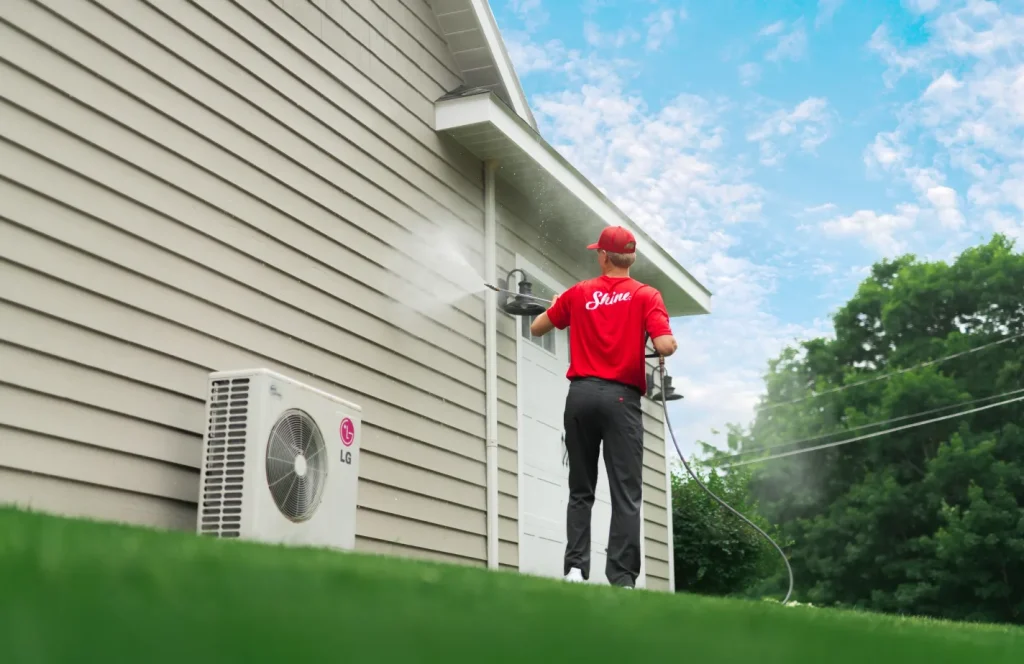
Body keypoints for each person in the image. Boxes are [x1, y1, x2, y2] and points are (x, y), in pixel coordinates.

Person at [529, 225, 677, 588]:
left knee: (581, 488)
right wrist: (659, 341)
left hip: (580, 396)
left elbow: (536, 328)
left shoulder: (579, 292)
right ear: (631, 257)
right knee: (625, 492)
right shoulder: (646, 295)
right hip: (621, 400)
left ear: (603, 256)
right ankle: (622, 579)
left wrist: (555, 307)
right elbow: (665, 344)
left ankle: (576, 570)